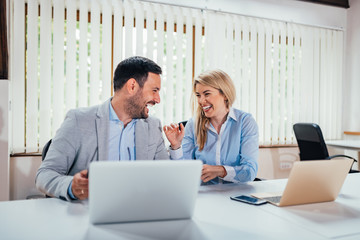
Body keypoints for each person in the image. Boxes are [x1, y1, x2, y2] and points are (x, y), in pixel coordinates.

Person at [36, 56, 181, 201]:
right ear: (132, 86)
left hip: (138, 210)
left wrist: (175, 148)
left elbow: (165, 177)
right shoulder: (79, 120)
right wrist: (71, 187)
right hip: (88, 212)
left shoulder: (152, 126)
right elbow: (45, 174)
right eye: (154, 90)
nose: (158, 99)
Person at [164, 69, 258, 184]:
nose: (201, 101)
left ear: (224, 94)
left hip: (236, 195)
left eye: (207, 94)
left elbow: (250, 171)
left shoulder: (245, 122)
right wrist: (176, 146)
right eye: (198, 95)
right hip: (204, 195)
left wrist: (221, 171)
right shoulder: (193, 124)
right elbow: (181, 172)